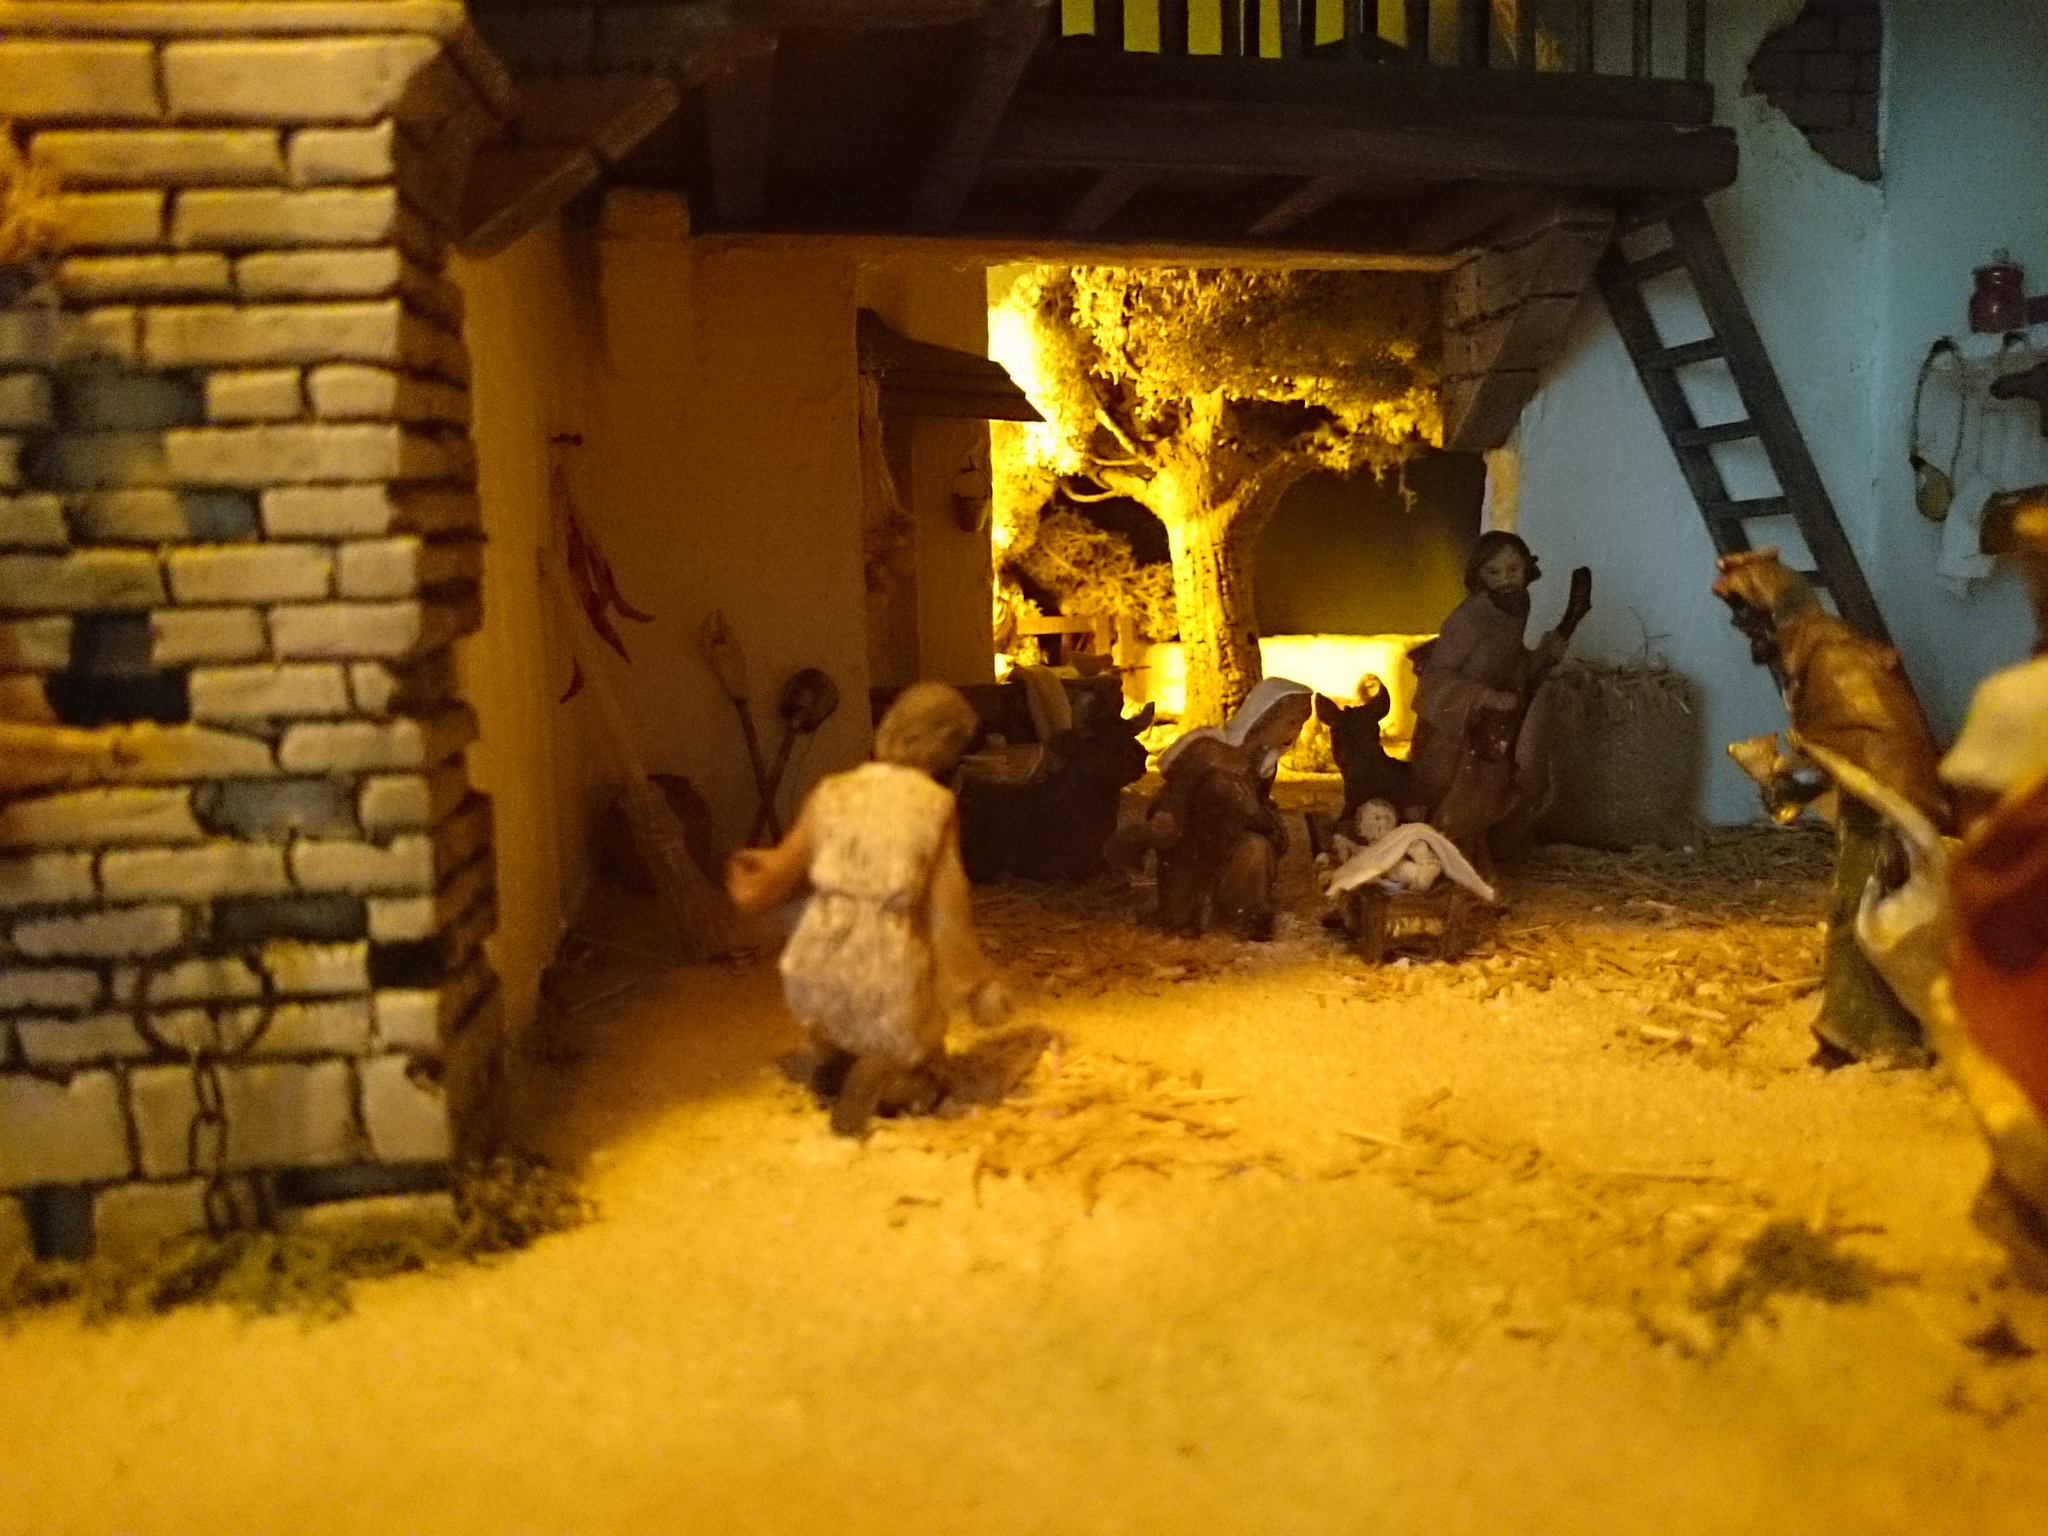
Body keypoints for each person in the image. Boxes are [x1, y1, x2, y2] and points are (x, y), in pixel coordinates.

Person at [726, 681, 1007, 1136]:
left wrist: (752, 880)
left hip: (817, 954)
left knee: (836, 1018)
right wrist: (975, 986)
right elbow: (947, 911)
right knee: (922, 1057)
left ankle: (833, 1060)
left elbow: (783, 867)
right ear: (948, 748)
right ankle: (889, 1076)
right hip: (885, 965)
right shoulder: (935, 804)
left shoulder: (831, 791)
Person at [1408, 532, 1591, 818]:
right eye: (1493, 572)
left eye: (1513, 569)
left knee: (1501, 797)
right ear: (1479, 575)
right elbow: (1433, 680)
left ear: (1527, 569)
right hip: (1452, 737)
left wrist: (1568, 624)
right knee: (1451, 807)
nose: (1505, 580)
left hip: (1492, 732)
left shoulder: (1514, 607)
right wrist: (1484, 697)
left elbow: (1515, 665)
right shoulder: (1468, 620)